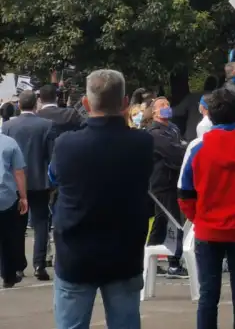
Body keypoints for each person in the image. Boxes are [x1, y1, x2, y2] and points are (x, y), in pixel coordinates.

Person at [49, 70, 153, 329]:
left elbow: (54, 177)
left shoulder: (66, 144)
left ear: (86, 103)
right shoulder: (142, 143)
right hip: (125, 252)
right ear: (125, 102)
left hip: (75, 251)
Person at [178, 88, 235, 329]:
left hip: (208, 231)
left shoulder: (196, 147)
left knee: (208, 295)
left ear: (209, 115)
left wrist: (199, 219)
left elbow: (184, 194)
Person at [2, 89, 56, 281]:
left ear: (19, 105)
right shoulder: (46, 125)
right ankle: (39, 264)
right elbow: (52, 156)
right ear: (36, 104)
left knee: (18, 225)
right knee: (41, 223)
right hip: (39, 180)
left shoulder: (8, 126)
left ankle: (18, 266)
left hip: (15, 183)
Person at [146, 96, 188, 279]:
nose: (166, 107)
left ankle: (150, 259)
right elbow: (175, 153)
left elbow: (181, 147)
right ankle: (173, 263)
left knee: (163, 221)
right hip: (161, 182)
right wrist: (182, 149)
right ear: (154, 111)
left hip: (173, 181)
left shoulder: (173, 128)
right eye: (161, 105)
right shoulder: (154, 132)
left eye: (168, 104)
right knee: (172, 221)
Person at [0, 128, 27, 288]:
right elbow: (18, 172)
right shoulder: (10, 143)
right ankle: (8, 276)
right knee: (7, 237)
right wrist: (23, 197)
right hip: (5, 195)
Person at [174, 77, 218, 142]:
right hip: (211, 137)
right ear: (216, 86)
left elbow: (177, 111)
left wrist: (162, 111)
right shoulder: (218, 99)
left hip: (191, 136)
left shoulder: (192, 97)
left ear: (205, 85)